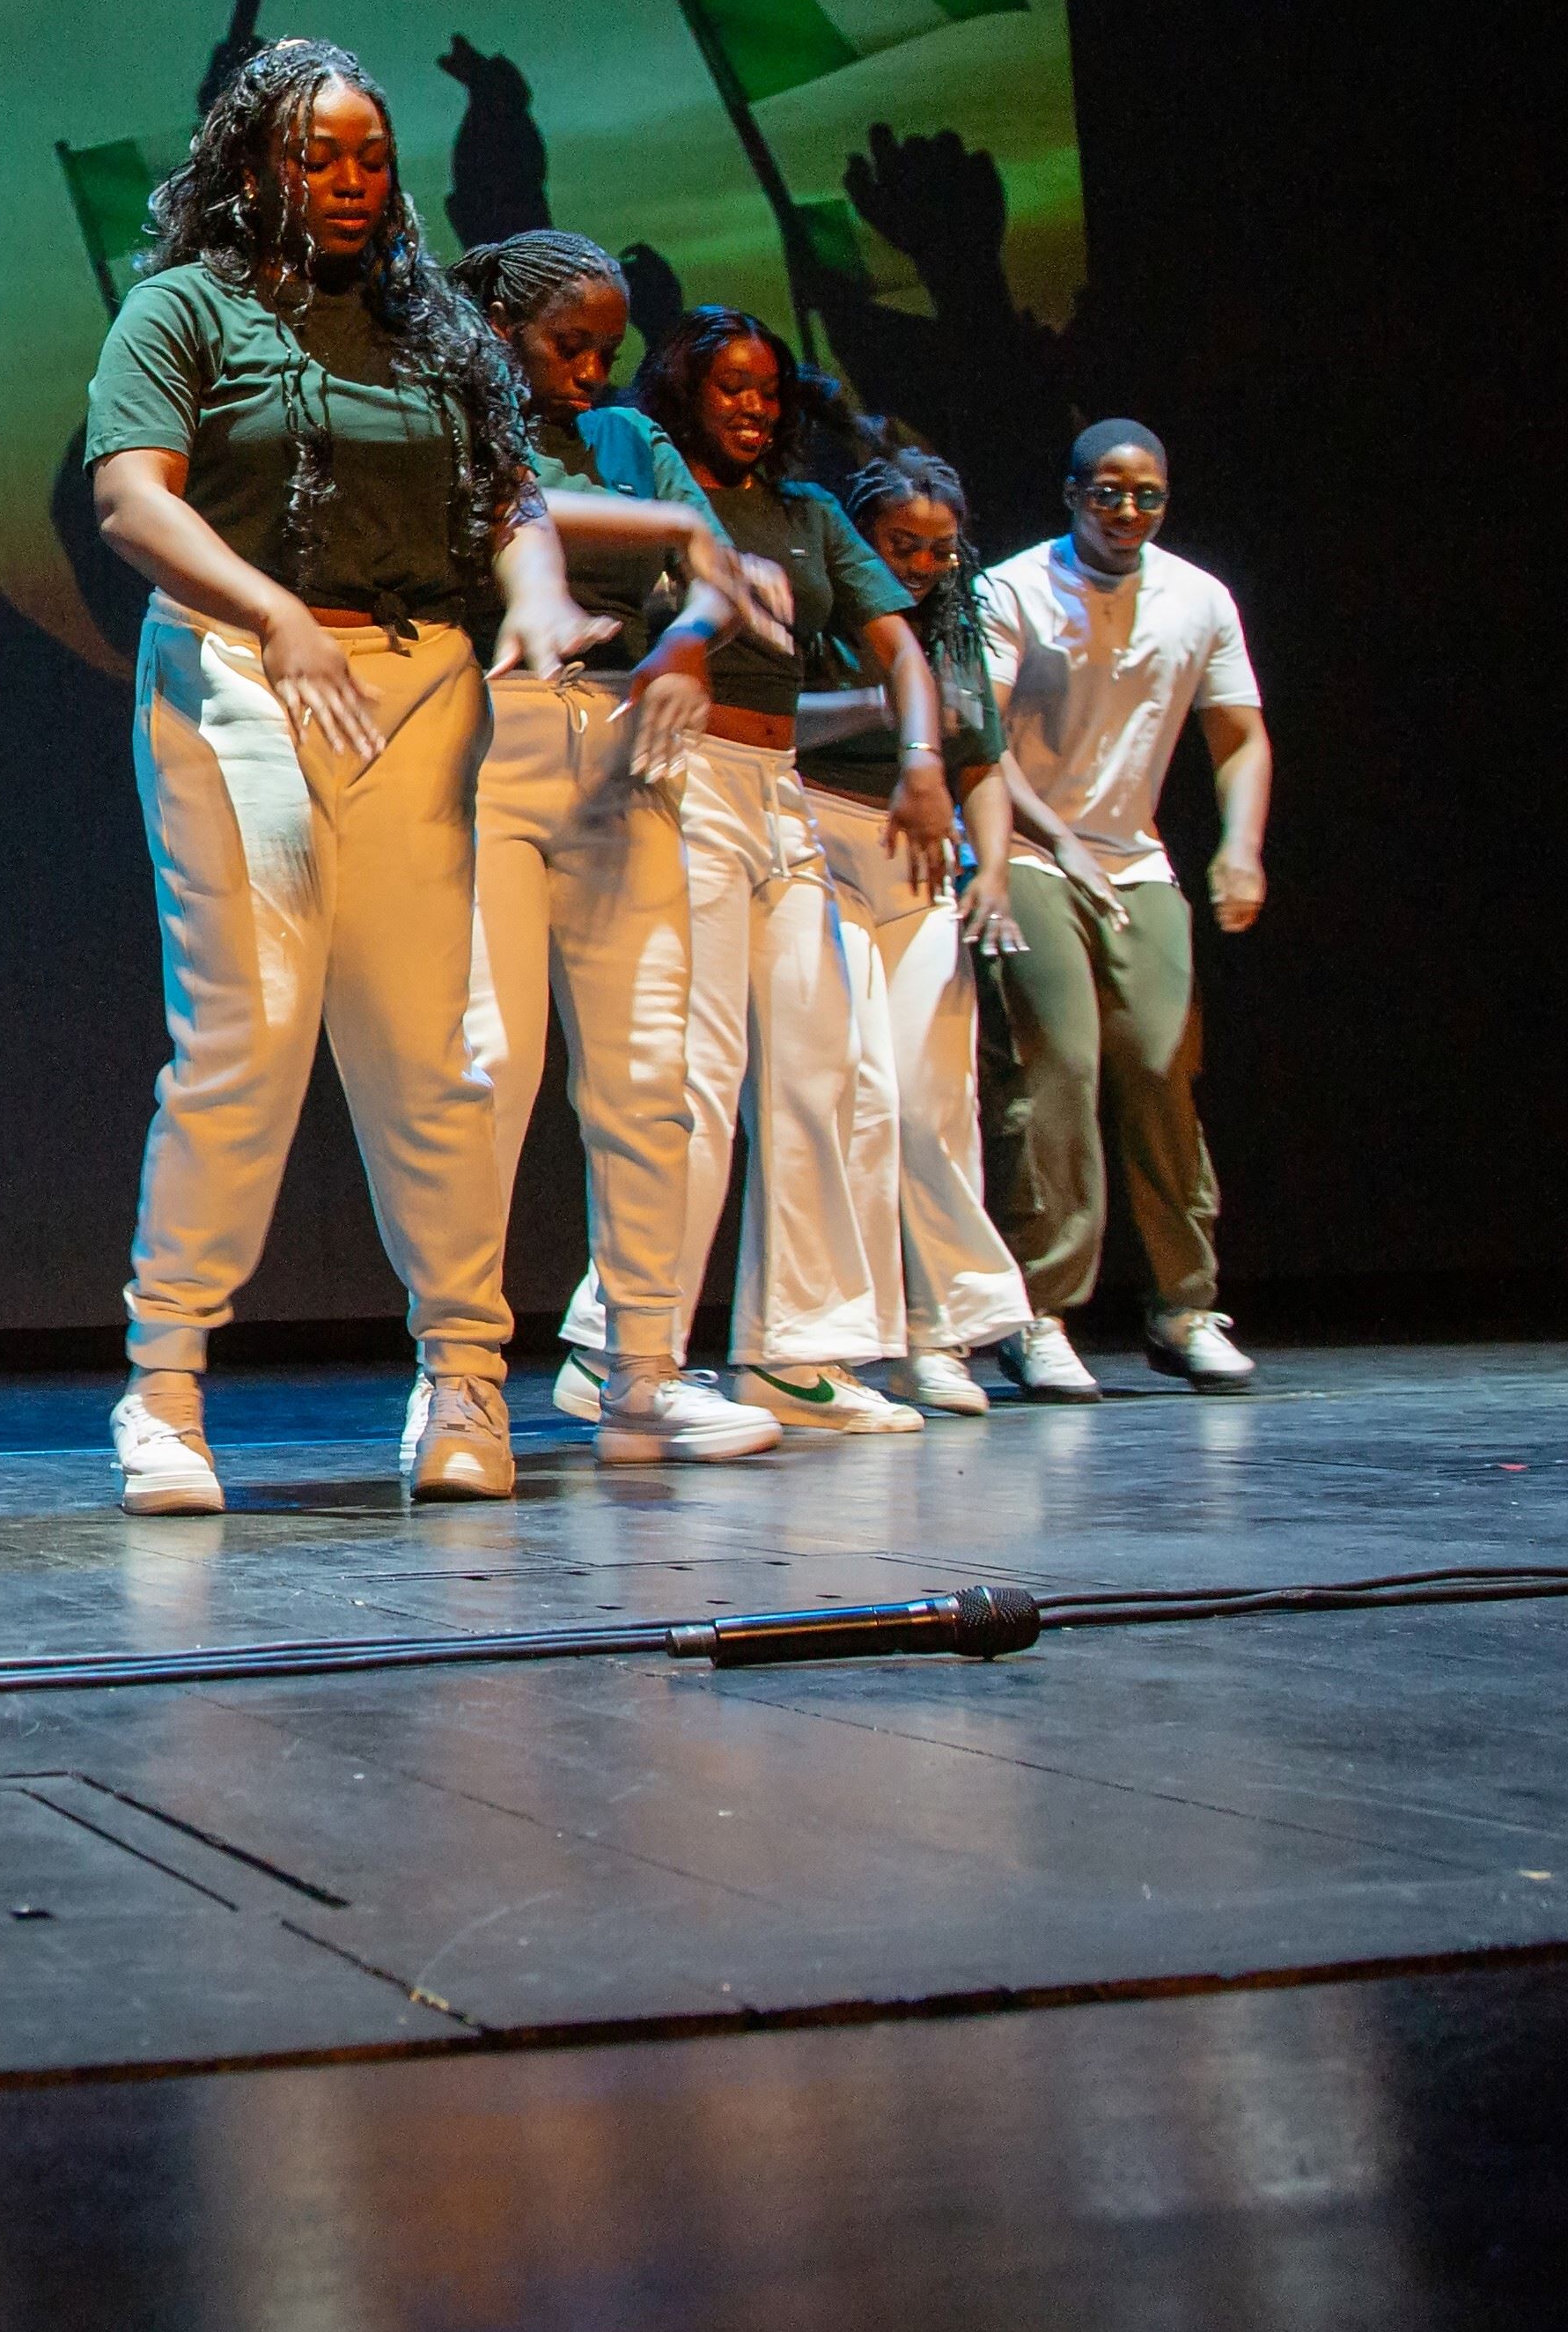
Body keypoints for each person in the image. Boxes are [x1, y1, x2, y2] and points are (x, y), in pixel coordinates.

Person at [81, 41, 596, 1515]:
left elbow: (510, 496)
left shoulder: (437, 329)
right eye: (319, 157)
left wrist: (539, 594)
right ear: (254, 167)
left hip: (417, 684)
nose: (353, 181)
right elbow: (129, 501)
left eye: (372, 156)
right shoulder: (184, 309)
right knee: (250, 1033)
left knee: (429, 1053)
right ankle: (166, 1385)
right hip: (239, 675)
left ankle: (466, 1378)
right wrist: (275, 612)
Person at [556, 310, 957, 1439]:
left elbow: (900, 649)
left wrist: (922, 760)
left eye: (769, 390)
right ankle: (619, 1344)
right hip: (677, 782)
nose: (753, 405)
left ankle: (795, 1352)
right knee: (691, 1073)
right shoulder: (649, 485)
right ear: (685, 393)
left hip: (780, 793)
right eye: (730, 385)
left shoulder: (808, 513)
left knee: (824, 1070)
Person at [452, 233, 790, 1466]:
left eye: (608, 349)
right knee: (488, 1069)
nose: (593, 371)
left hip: (621, 747)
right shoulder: (451, 415)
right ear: (500, 326)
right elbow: (516, 512)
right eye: (570, 345)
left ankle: (642, 1369)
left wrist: (688, 644)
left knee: (650, 1073)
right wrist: (673, 532)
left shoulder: (631, 438)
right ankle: (460, 1374)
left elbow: (714, 575)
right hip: (483, 744)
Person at [976, 420, 1274, 1388]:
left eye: (1147, 495)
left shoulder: (1199, 598)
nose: (1127, 511)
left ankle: (1185, 1306)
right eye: (1108, 493)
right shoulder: (1013, 590)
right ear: (1073, 494)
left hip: (1135, 861)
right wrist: (1057, 838)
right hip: (1027, 847)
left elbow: (1240, 737)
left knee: (1157, 1059)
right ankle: (1040, 1311)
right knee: (1062, 1061)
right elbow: (980, 740)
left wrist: (1240, 847)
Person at [801, 442, 1096, 1409]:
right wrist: (885, 703)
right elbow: (771, 722)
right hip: (824, 838)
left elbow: (980, 765)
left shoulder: (956, 625)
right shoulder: (820, 607)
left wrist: (995, 873)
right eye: (902, 545)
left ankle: (941, 1333)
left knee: (935, 1101)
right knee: (864, 1097)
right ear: (860, 535)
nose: (923, 566)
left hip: (925, 862)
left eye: (940, 549)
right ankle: (860, 1335)